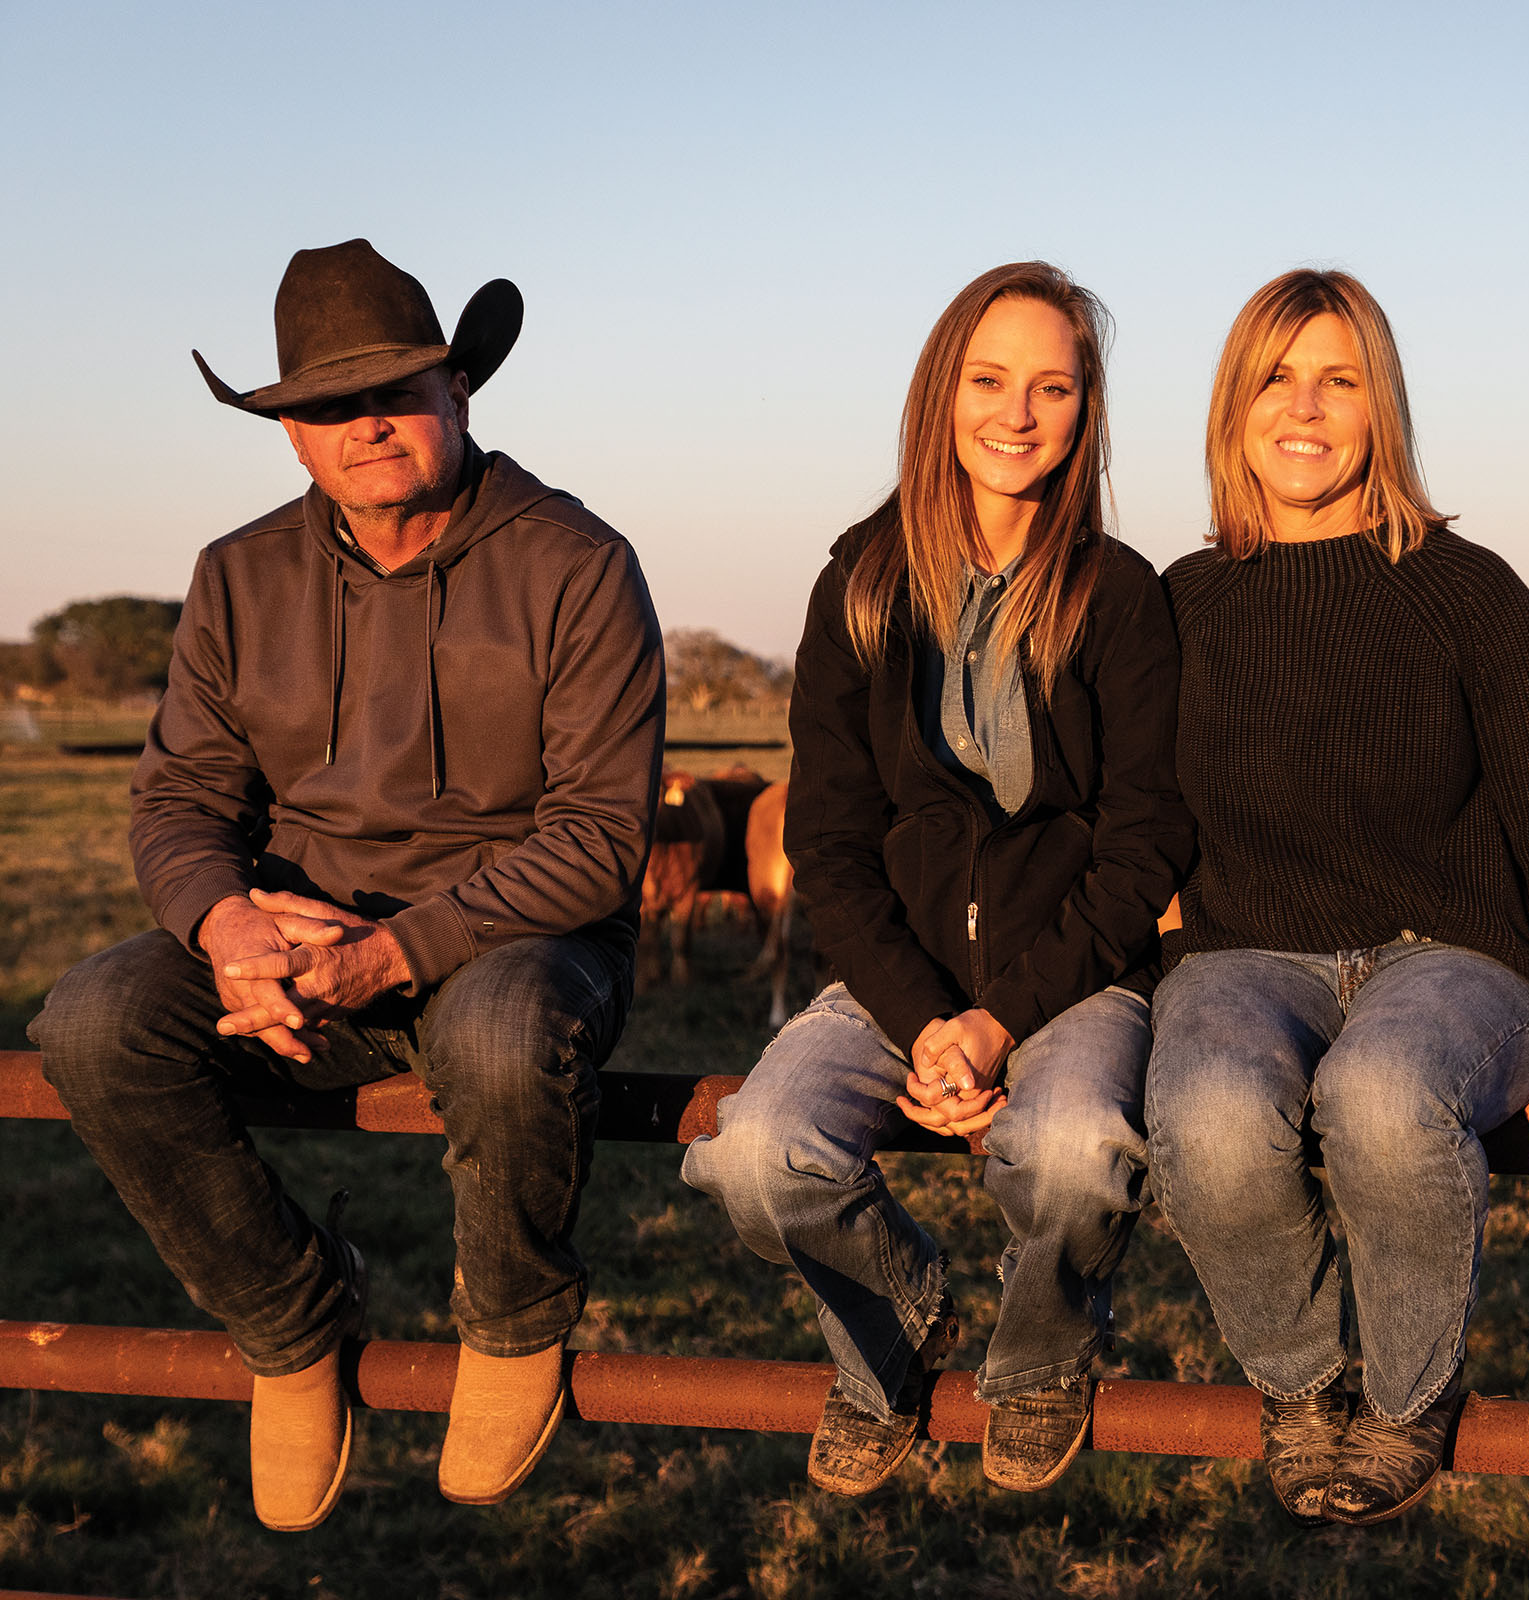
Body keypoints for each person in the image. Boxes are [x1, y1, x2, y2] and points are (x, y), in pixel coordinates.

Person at [31, 240, 665, 1529]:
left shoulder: (579, 562)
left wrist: (390, 953)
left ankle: (513, 1322)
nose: (367, 423)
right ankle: (292, 1318)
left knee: (497, 1030)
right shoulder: (236, 574)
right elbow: (178, 799)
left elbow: (601, 834)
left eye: (398, 391)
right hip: (292, 949)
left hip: (518, 944)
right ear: (292, 438)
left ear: (460, 396)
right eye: (327, 405)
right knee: (91, 1022)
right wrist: (228, 924)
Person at [682, 262, 1190, 1497]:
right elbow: (836, 846)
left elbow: (1147, 841)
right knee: (759, 1152)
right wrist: (923, 1022)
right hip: (895, 978)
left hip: (1069, 977)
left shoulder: (1120, 596)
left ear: (1088, 410)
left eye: (1053, 387)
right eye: (989, 380)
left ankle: (1037, 1360)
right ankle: (892, 1335)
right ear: (939, 394)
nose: (1018, 415)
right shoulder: (858, 585)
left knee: (1072, 1151)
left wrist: (997, 1019)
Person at [1146, 269, 1529, 1527]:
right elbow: (1127, 821)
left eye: (1340, 379)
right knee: (1204, 1105)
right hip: (1247, 954)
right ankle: (1304, 1382)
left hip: (1455, 958)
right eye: (1275, 377)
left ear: (1384, 409)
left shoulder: (1468, 589)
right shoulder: (1181, 603)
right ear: (1232, 406)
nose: (1303, 408)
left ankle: (1411, 1390)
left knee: (1378, 1093)